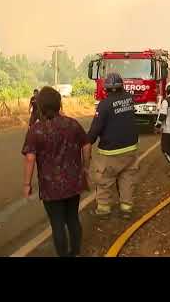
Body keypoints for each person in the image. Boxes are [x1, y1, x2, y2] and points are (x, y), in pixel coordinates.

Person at [22, 86, 91, 257]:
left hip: (50, 187)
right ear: (59, 104)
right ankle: (75, 252)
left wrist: (27, 184)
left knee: (57, 223)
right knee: (73, 219)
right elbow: (87, 144)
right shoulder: (72, 124)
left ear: (40, 107)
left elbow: (30, 158)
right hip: (73, 183)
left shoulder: (36, 130)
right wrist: (85, 167)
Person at [87, 72, 139, 219]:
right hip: (130, 149)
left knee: (104, 179)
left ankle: (103, 209)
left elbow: (95, 129)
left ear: (107, 89)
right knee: (127, 178)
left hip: (110, 152)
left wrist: (87, 141)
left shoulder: (104, 105)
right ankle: (126, 208)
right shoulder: (129, 99)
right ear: (122, 86)